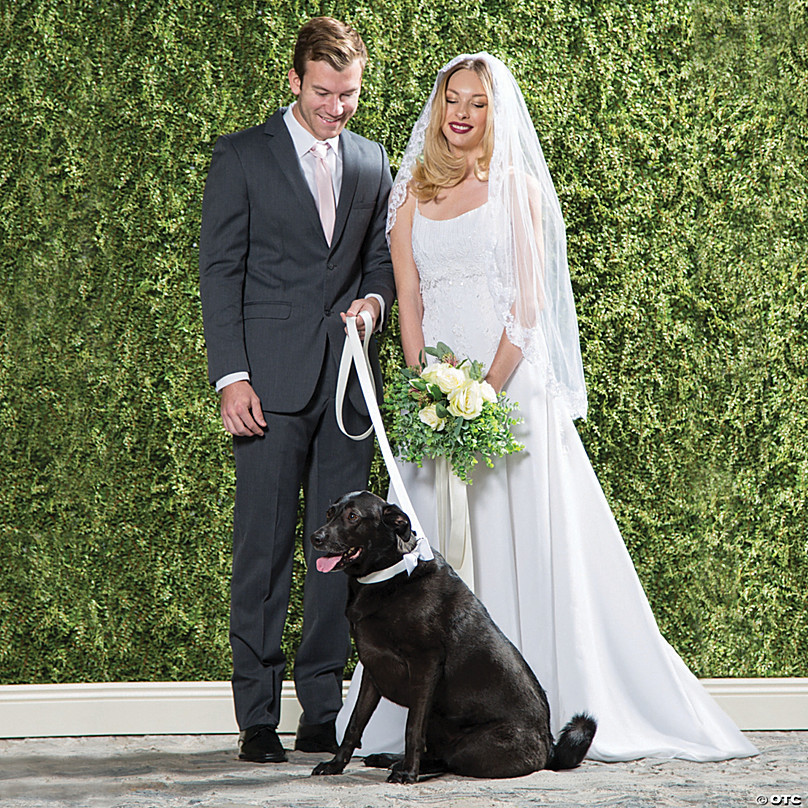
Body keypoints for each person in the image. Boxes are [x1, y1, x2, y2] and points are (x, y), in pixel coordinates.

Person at [337, 53, 757, 763]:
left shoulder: (517, 190)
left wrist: (482, 396)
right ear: (438, 109)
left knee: (522, 536)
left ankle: (526, 703)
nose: (462, 113)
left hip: (506, 394)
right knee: (437, 555)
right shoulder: (409, 192)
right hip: (435, 398)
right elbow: (409, 297)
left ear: (496, 114)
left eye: (477, 102)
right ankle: (437, 718)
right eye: (451, 100)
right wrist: (428, 387)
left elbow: (527, 308)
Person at [199, 17, 395, 763]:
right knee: (263, 551)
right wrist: (232, 377)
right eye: (323, 92)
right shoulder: (243, 156)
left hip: (347, 391)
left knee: (338, 557)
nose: (336, 108)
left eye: (348, 94)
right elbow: (220, 271)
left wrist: (373, 306)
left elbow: (378, 262)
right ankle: (255, 716)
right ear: (293, 81)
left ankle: (322, 707)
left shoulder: (374, 163)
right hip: (268, 389)